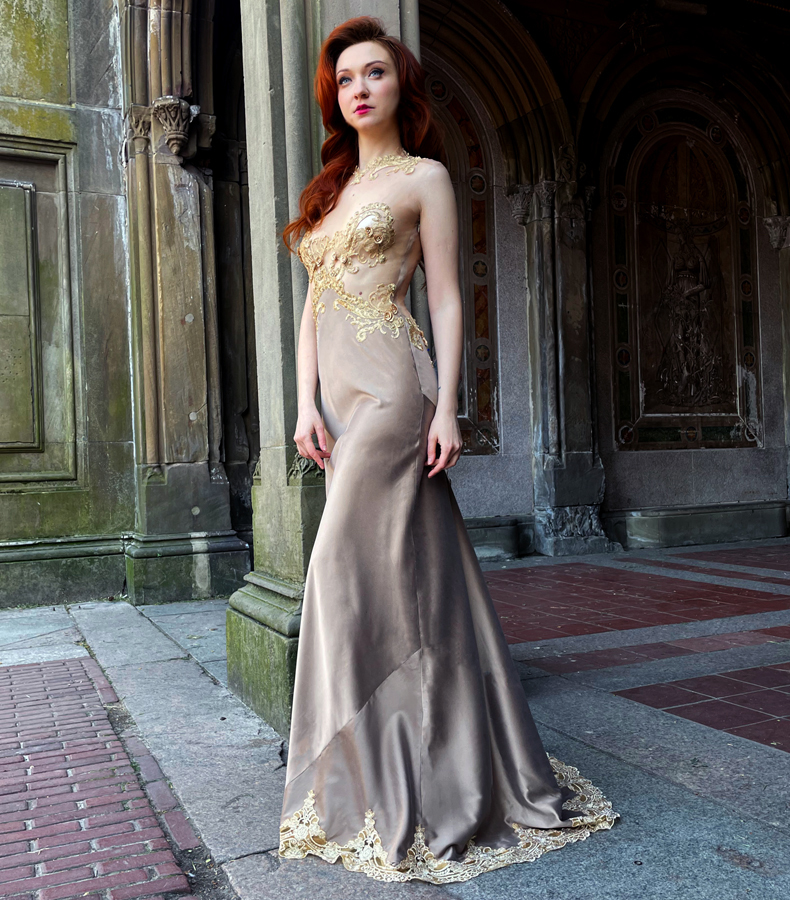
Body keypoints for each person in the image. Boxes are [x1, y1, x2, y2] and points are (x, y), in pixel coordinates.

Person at [277, 15, 618, 885]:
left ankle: (399, 770)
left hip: (395, 389)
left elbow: (447, 296)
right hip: (340, 400)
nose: (359, 88)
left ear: (401, 86)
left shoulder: (426, 177)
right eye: (346, 77)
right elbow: (315, 302)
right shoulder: (329, 190)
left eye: (376, 73)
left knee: (340, 569)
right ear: (337, 96)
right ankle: (404, 763)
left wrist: (449, 406)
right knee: (405, 571)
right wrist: (304, 399)